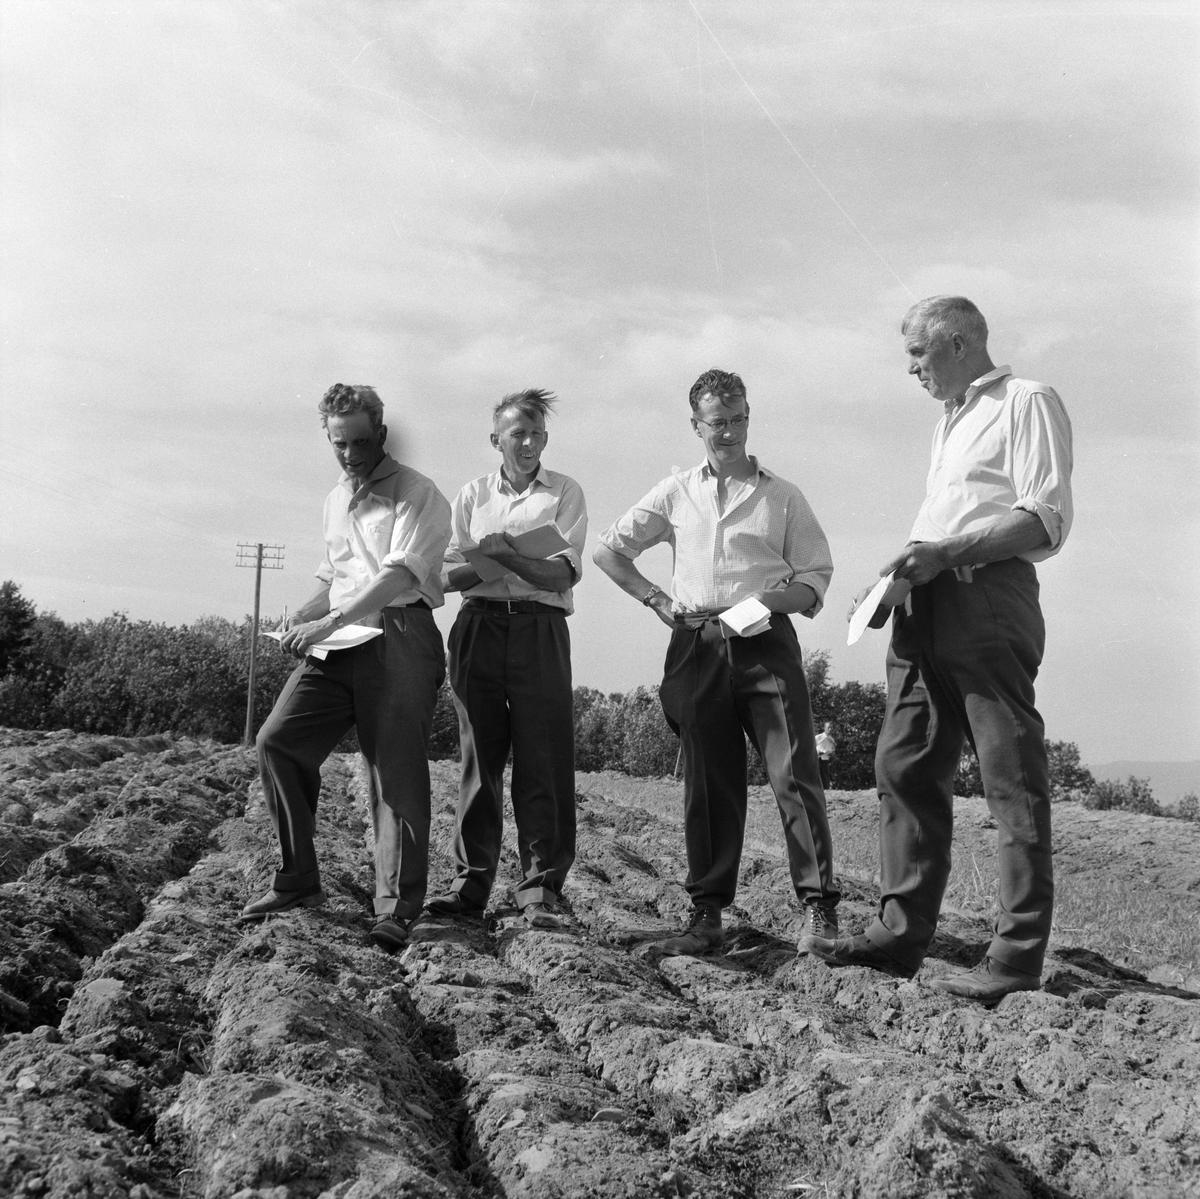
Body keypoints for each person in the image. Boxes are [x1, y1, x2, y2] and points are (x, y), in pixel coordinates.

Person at [802, 296, 1074, 1004]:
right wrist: (902, 572)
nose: (912, 371)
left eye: (918, 356)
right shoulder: (947, 423)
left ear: (957, 343)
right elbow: (952, 515)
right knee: (904, 762)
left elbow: (1044, 516)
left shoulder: (1026, 401)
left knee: (1009, 774)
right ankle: (898, 935)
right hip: (923, 604)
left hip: (986, 598)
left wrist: (947, 551)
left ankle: (1014, 961)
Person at [594, 369, 839, 956]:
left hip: (765, 641)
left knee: (793, 771)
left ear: (748, 418)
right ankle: (706, 914)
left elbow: (816, 578)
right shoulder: (677, 491)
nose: (728, 432)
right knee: (708, 783)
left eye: (737, 420)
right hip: (697, 641)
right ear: (696, 425)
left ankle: (819, 909)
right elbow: (608, 550)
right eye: (716, 423)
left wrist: (776, 599)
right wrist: (655, 598)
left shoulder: (782, 495)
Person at [243, 383, 452, 952]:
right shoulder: (337, 496)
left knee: (394, 775)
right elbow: (330, 573)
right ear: (328, 438)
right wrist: (301, 616)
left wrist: (328, 620)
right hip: (339, 639)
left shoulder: (418, 493)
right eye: (340, 444)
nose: (352, 454)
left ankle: (397, 909)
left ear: (381, 431)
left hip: (399, 636)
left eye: (361, 442)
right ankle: (298, 881)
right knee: (278, 741)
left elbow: (397, 578)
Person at [428, 390, 586, 929]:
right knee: (480, 758)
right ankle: (470, 885)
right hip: (479, 624)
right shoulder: (471, 495)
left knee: (543, 758)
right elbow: (447, 578)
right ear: (495, 439)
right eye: (516, 433)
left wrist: (508, 555)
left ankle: (540, 888)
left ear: (546, 438)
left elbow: (564, 573)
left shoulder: (565, 492)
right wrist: (493, 560)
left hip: (540, 628)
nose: (527, 442)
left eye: (536, 433)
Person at [815, 722, 836, 790]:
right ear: (824, 728)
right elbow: (812, 747)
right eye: (828, 727)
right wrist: (818, 752)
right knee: (816, 774)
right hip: (817, 758)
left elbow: (833, 750)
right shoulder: (818, 737)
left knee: (825, 774)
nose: (830, 729)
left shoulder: (831, 740)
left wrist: (830, 753)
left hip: (825, 759)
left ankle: (826, 789)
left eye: (831, 728)